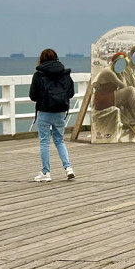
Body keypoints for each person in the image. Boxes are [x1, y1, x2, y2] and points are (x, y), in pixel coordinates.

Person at [28, 48, 75, 182]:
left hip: (44, 112)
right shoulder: (65, 74)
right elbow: (71, 93)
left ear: (41, 59)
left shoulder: (39, 75)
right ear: (56, 58)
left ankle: (46, 173)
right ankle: (68, 168)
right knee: (59, 141)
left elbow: (33, 96)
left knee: (44, 143)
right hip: (60, 112)